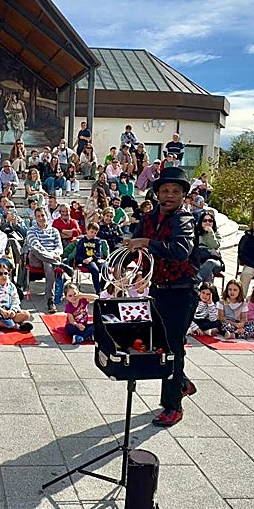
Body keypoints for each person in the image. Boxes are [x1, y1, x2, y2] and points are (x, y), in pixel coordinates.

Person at [124, 166, 198, 428]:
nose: (169, 195)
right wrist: (130, 265)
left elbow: (180, 251)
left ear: (183, 195)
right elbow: (135, 247)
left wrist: (145, 243)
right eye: (165, 190)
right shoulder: (148, 218)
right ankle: (182, 383)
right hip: (158, 289)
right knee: (160, 344)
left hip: (182, 291)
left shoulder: (184, 219)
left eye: (175, 191)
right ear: (157, 194)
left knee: (172, 347)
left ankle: (172, 406)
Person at [24, 207, 65, 313]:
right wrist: (51, 256)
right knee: (34, 249)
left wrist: (53, 255)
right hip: (36, 259)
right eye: (38, 216)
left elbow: (59, 248)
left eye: (43, 215)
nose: (41, 218)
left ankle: (50, 300)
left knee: (48, 264)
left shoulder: (54, 231)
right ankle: (59, 264)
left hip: (49, 260)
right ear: (35, 218)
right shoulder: (31, 230)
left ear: (47, 216)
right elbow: (36, 245)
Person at [0, 263, 32, 332]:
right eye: (0, 274)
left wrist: (13, 311)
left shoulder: (11, 286)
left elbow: (16, 301)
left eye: (5, 273)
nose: (3, 276)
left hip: (9, 313)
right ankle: (15, 326)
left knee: (26, 314)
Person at [74, 221, 110, 294]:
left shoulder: (97, 241)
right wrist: (83, 260)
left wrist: (92, 258)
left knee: (105, 268)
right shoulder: (82, 241)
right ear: (87, 230)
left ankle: (101, 287)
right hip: (86, 261)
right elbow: (78, 255)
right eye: (91, 232)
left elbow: (98, 253)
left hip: (94, 259)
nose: (93, 234)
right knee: (95, 269)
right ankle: (98, 290)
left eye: (95, 233)